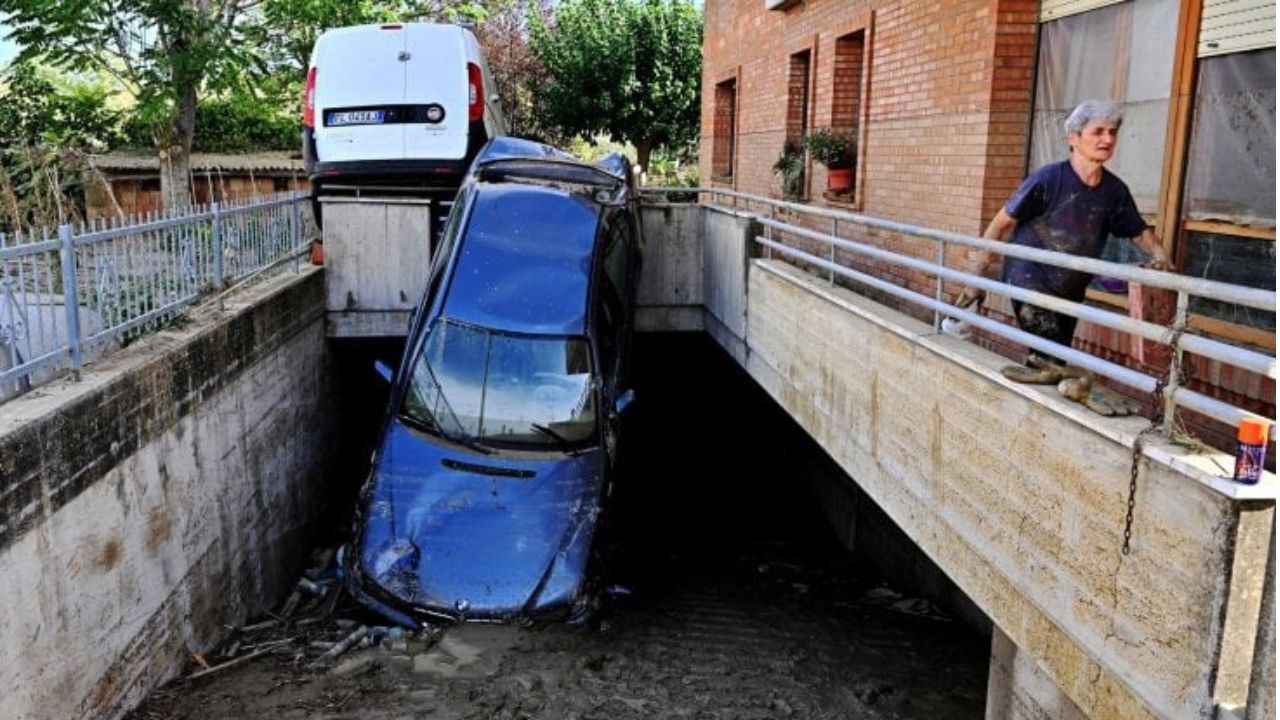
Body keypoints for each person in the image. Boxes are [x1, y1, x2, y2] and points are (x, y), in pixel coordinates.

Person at [958, 100, 1172, 413]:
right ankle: (1075, 386)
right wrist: (977, 273)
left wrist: (1160, 255)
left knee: (1052, 357)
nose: (1107, 139)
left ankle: (1050, 397)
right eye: (1097, 131)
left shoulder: (1114, 191)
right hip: (1029, 277)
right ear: (1073, 138)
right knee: (1048, 354)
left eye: (1112, 132)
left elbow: (1138, 231)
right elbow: (1001, 222)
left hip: (1070, 287)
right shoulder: (1048, 179)